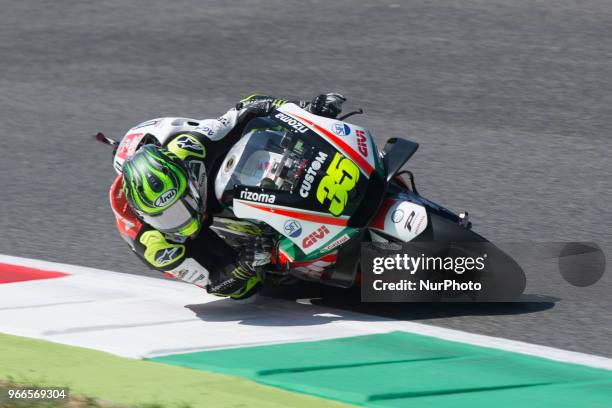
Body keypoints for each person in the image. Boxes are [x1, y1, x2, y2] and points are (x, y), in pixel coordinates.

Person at [109, 93, 346, 299]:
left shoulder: (190, 146)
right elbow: (216, 284)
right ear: (145, 215)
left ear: (189, 182)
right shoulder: (155, 247)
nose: (181, 222)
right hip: (206, 243)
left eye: (179, 208)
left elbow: (248, 107)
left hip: (226, 179)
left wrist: (306, 108)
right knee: (255, 284)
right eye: (167, 217)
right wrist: (244, 266)